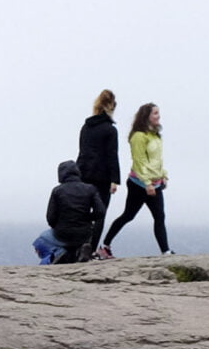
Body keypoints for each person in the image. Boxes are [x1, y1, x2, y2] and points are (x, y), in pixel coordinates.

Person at [102, 102, 171, 255]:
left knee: (159, 217)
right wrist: (147, 183)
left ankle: (165, 251)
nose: (158, 116)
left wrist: (163, 175)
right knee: (128, 215)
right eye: (155, 113)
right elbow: (139, 161)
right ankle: (105, 246)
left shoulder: (155, 135)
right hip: (139, 185)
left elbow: (156, 160)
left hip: (156, 183)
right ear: (146, 116)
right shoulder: (138, 136)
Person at [77, 91, 122, 252]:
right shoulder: (110, 130)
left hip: (83, 174)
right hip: (102, 177)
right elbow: (112, 155)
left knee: (83, 213)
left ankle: (80, 246)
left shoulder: (85, 127)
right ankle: (91, 249)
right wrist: (114, 180)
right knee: (100, 213)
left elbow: (82, 152)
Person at [47, 159, 104, 262]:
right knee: (80, 239)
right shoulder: (90, 188)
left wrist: (59, 225)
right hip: (84, 232)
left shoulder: (57, 191)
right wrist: (88, 218)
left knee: (46, 238)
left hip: (62, 232)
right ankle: (81, 251)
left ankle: (62, 254)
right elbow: (100, 211)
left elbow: (50, 218)